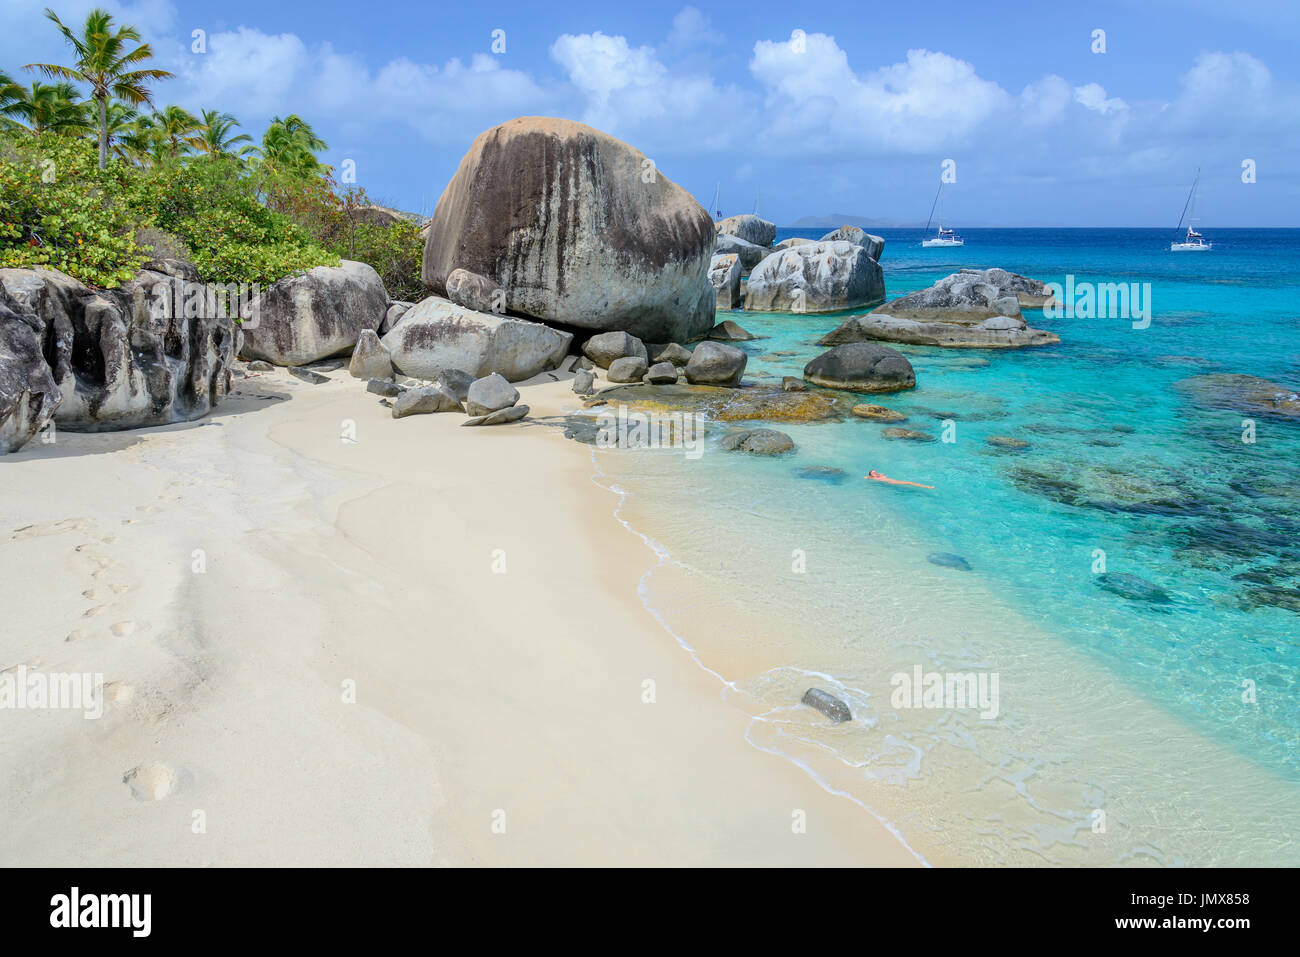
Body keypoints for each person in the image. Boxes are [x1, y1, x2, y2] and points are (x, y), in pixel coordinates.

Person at [865, 470, 934, 489]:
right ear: (871, 475)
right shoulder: (873, 478)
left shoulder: (879, 476)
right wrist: (869, 477)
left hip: (894, 481)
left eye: (875, 471)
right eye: (874, 473)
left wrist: (879, 475)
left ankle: (927, 486)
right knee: (910, 482)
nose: (876, 473)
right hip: (893, 483)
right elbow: (866, 477)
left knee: (910, 482)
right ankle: (927, 487)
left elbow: (881, 474)